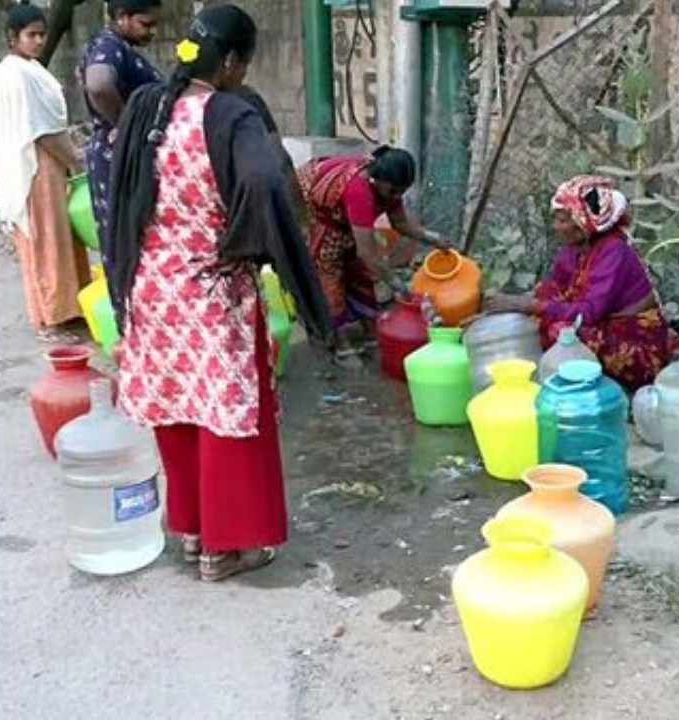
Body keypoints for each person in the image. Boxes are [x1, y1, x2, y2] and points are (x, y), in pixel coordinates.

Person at [107, 5, 333, 581]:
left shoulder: (146, 106)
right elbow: (265, 181)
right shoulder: (231, 114)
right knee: (227, 415)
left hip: (153, 288)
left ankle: (191, 531)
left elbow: (122, 187)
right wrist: (246, 244)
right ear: (231, 62)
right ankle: (226, 547)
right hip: (210, 289)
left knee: (178, 407)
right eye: (244, 63)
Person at [483, 175, 679, 390]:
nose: (556, 227)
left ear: (584, 223)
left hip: (637, 343)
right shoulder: (574, 251)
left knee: (562, 332)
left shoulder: (614, 252)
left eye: (563, 220)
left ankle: (588, 389)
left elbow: (589, 313)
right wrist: (500, 313)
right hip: (604, 326)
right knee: (540, 308)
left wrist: (525, 305)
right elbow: (551, 292)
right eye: (556, 219)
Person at [0, 1, 90, 339]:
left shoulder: (26, 68)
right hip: (36, 165)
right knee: (47, 238)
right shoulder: (16, 73)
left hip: (46, 163)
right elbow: (42, 130)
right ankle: (54, 314)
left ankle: (70, 306)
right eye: (31, 35)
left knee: (60, 236)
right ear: (12, 36)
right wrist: (75, 160)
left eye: (42, 35)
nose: (38, 41)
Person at [296, 147, 446, 362]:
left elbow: (400, 223)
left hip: (343, 214)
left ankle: (370, 329)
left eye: (401, 192)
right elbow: (367, 252)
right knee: (329, 272)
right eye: (394, 192)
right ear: (378, 181)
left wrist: (432, 238)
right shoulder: (359, 190)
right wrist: (394, 282)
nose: (397, 197)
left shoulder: (387, 185)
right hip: (315, 210)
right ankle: (340, 340)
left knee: (361, 270)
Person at [78, 0, 162, 262]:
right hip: (119, 155)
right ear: (122, 17)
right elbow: (99, 84)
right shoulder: (108, 46)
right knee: (130, 240)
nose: (152, 32)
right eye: (146, 24)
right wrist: (128, 128)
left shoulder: (116, 47)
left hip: (117, 152)